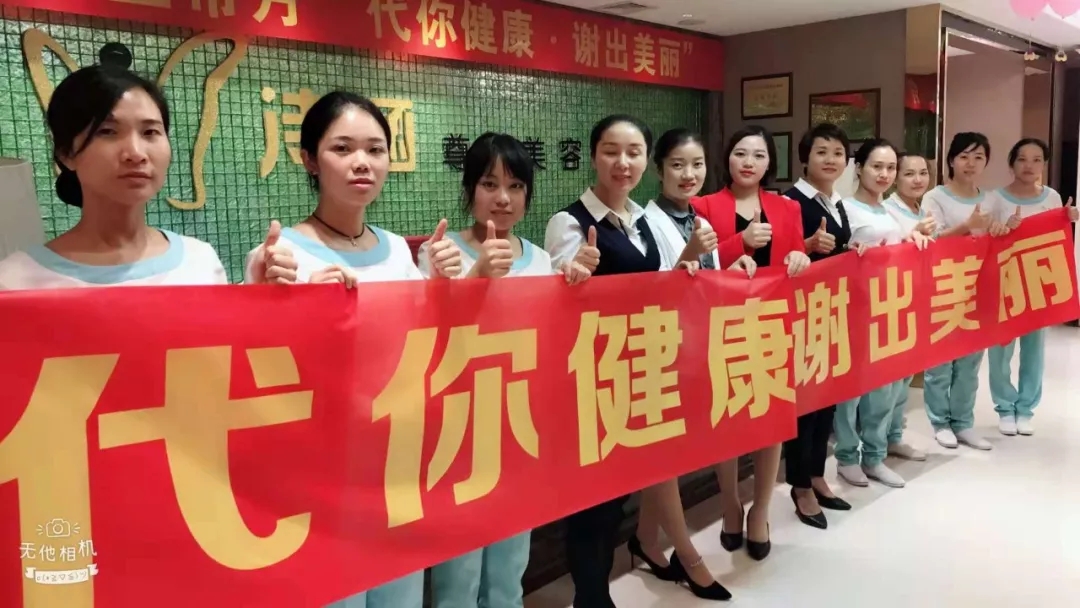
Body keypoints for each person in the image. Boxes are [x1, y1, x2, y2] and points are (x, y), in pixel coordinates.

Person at [246, 90, 463, 608]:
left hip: (396, 458)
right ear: (309, 160)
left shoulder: (399, 251)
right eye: (342, 148)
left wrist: (444, 286)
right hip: (320, 471)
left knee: (399, 595)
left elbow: (422, 345)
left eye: (375, 149)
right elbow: (249, 366)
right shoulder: (279, 254)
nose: (361, 162)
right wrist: (273, 300)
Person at [423, 132, 589, 608]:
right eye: (489, 184)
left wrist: (575, 288)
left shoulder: (539, 259)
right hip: (457, 433)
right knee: (458, 571)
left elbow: (551, 344)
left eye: (516, 186)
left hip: (518, 427)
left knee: (509, 567)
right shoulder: (440, 254)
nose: (503, 197)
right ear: (470, 188)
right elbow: (423, 339)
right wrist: (475, 276)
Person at [544, 114, 701, 608]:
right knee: (590, 501)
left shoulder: (643, 219)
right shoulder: (570, 222)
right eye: (611, 151)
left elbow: (655, 287)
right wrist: (573, 274)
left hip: (638, 369)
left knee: (618, 494)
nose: (623, 162)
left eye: (634, 153)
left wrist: (687, 265)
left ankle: (602, 586)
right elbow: (553, 299)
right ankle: (591, 597)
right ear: (594, 156)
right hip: (590, 377)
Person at [632, 127, 752, 601]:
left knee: (677, 453)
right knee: (665, 453)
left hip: (701, 346)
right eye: (677, 165)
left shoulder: (698, 219)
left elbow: (705, 279)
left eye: (697, 164)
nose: (688, 174)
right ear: (659, 169)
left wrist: (732, 268)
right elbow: (651, 288)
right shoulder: (645, 222)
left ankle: (645, 539)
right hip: (663, 350)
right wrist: (690, 257)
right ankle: (684, 554)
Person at [693, 125, 812, 562]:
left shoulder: (786, 207)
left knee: (771, 418)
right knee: (726, 418)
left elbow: (796, 257)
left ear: (769, 163)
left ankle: (760, 509)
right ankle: (730, 504)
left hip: (772, 323)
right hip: (721, 325)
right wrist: (738, 242)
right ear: (727, 157)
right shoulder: (703, 205)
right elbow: (697, 263)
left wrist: (800, 256)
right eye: (740, 153)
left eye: (759, 155)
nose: (748, 162)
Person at [0, 65, 227, 290]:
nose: (136, 153)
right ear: (67, 154)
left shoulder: (201, 263)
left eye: (150, 132)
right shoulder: (15, 281)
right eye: (107, 131)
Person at [833, 140, 931, 490]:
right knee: (851, 391)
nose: (884, 174)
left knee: (884, 388)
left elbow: (897, 249)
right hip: (854, 312)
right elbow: (835, 256)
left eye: (890, 168)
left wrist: (914, 239)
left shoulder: (888, 211)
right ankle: (847, 457)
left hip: (888, 312)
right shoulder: (844, 208)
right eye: (877, 166)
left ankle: (874, 456)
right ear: (859, 168)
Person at [779, 123, 854, 529]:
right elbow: (779, 257)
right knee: (804, 405)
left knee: (827, 398)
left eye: (838, 153)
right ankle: (799, 484)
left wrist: (851, 250)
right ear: (804, 158)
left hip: (830, 311)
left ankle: (817, 474)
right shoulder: (789, 202)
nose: (830, 159)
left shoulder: (835, 203)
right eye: (821, 151)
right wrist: (805, 247)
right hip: (800, 316)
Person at [987, 138, 1078, 437]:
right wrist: (1004, 229)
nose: (1029, 165)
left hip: (1038, 284)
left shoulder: (1051, 197)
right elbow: (986, 239)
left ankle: (1026, 409)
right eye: (1022, 159)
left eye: (1037, 159)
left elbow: (1055, 240)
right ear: (1012, 163)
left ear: (1044, 164)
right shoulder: (995, 198)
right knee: (1000, 351)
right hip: (1005, 284)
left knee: (1034, 351)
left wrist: (1068, 219)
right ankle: (1005, 407)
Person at [920, 132, 1003, 452]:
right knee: (941, 360)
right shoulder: (935, 197)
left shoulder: (991, 199)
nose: (971, 163)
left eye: (978, 157)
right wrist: (967, 225)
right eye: (964, 156)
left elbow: (997, 240)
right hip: (943, 286)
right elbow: (931, 241)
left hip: (978, 287)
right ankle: (940, 422)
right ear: (951, 160)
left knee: (970, 361)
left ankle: (963, 422)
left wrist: (1000, 229)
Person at [878, 152, 937, 464]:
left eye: (923, 173)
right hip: (891, 302)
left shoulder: (923, 209)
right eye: (909, 173)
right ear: (895, 178)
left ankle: (894, 436)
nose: (917, 180)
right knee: (887, 381)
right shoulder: (888, 210)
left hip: (917, 300)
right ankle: (875, 446)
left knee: (904, 377)